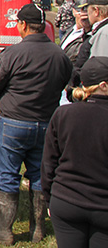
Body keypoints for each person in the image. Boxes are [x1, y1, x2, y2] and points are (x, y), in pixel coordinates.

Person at [0, 3, 72, 245]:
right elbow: (65, 84)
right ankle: (37, 229)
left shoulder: (13, 53)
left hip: (14, 122)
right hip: (46, 123)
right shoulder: (60, 54)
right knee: (40, 174)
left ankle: (3, 229)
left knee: (7, 174)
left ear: (23, 25)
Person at [41, 56, 108, 248]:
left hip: (66, 201)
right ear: (103, 85)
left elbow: (48, 163)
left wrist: (49, 199)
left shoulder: (63, 114)